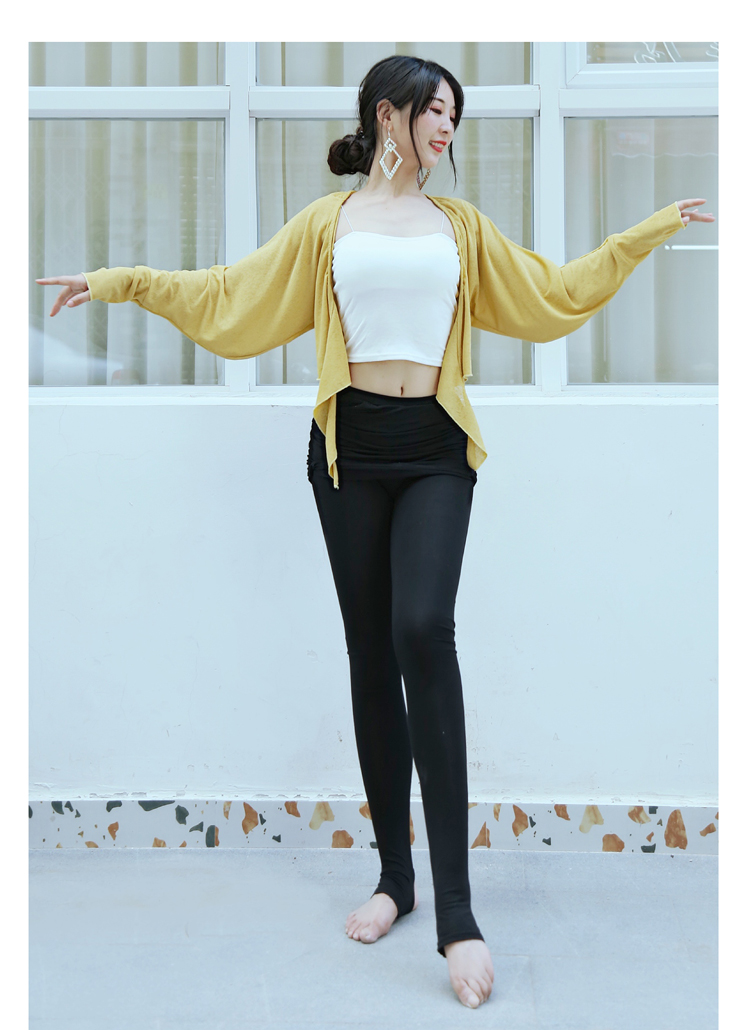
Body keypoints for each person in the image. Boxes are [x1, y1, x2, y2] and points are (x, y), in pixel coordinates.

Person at [36, 54, 715, 1010]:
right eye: (436, 110)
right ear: (388, 115)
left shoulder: (459, 228)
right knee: (369, 652)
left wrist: (645, 232)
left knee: (421, 629)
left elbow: (555, 292)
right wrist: (119, 282)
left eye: (455, 116)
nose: (447, 128)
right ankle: (395, 878)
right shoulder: (328, 224)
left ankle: (458, 913)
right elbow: (230, 295)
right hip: (347, 451)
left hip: (435, 447)